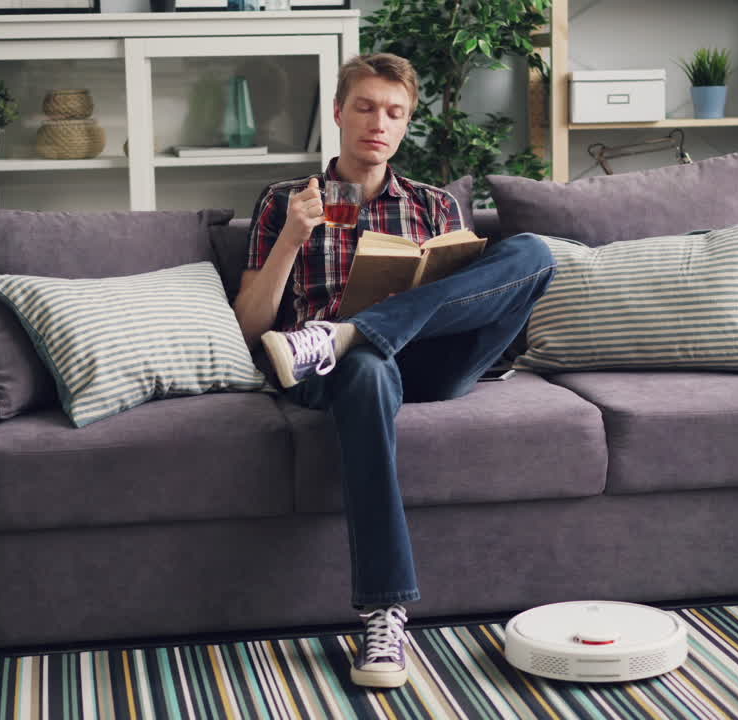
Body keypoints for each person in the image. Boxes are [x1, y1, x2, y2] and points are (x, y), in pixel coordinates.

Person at [233, 52, 556, 689]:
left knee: (534, 252)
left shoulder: (435, 205)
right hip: (334, 372)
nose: (378, 123)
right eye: (365, 107)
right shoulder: (285, 201)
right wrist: (291, 239)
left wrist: (385, 317)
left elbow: (464, 303)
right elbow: (248, 326)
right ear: (338, 112)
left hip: (432, 359)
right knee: (366, 368)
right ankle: (384, 613)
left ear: (406, 123)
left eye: (394, 112)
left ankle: (350, 331)